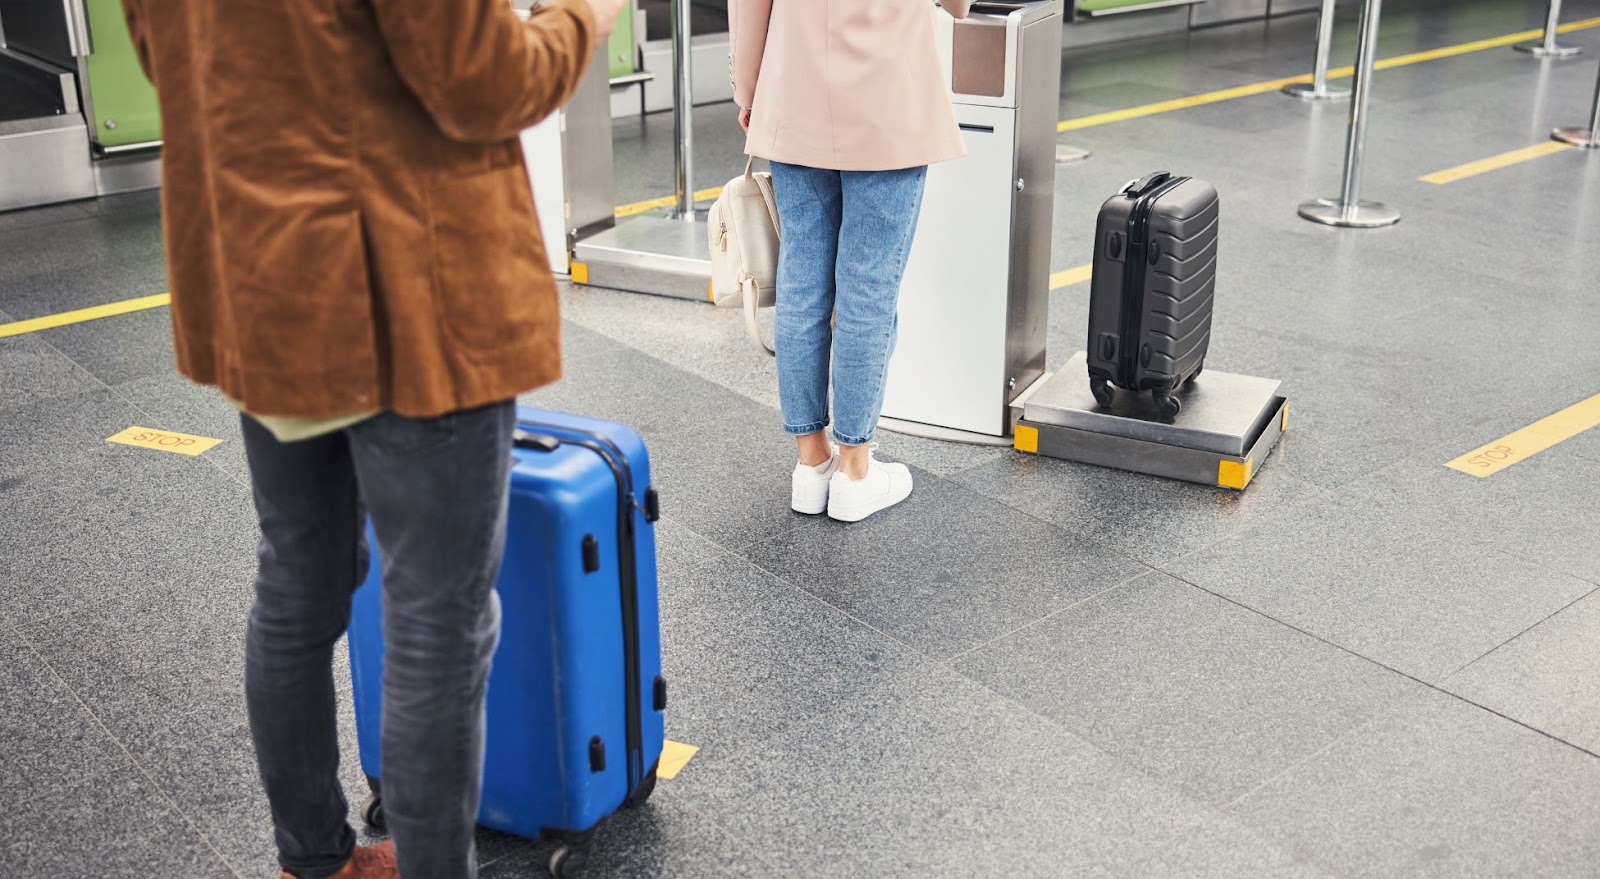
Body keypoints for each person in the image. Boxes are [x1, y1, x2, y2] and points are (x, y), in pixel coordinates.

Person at [117, 0, 628, 876]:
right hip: (404, 282)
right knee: (439, 618)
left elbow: (164, 56)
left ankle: (313, 860)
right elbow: (482, 81)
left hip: (260, 269)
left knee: (298, 580)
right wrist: (583, 17)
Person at [730, 0, 975, 523]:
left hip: (793, 90)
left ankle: (810, 463)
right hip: (889, 98)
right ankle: (855, 472)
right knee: (868, 289)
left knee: (802, 287)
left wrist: (749, 89)